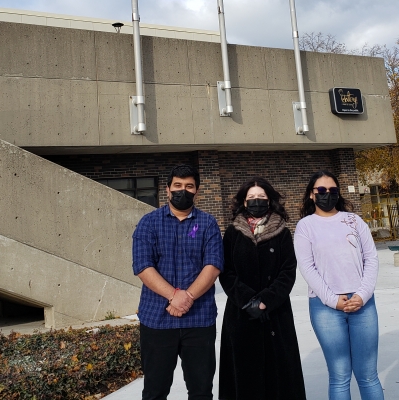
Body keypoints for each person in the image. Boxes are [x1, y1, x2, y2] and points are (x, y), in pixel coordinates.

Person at [131, 164, 224, 400]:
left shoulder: (208, 223)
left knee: (201, 391)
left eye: (189, 186)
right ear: (168, 189)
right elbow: (142, 265)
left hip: (199, 320)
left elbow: (213, 265)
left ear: (197, 191)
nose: (183, 190)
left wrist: (187, 297)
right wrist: (174, 296)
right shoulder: (148, 223)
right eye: (178, 185)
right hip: (157, 320)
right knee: (155, 392)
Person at [293, 170, 383, 400]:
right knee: (340, 375)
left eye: (332, 190)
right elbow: (307, 267)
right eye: (321, 190)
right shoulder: (305, 226)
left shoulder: (354, 221)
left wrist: (362, 295)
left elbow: (371, 258)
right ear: (311, 194)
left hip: (362, 304)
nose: (327, 194)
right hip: (326, 307)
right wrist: (333, 301)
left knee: (368, 375)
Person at [218, 177, 307, 400]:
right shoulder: (232, 233)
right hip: (241, 313)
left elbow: (288, 271)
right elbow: (226, 271)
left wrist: (266, 299)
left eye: (261, 197)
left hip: (275, 313)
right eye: (251, 197)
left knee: (280, 376)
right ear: (243, 201)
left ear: (269, 200)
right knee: (244, 376)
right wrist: (248, 300)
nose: (256, 201)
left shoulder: (282, 232)